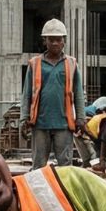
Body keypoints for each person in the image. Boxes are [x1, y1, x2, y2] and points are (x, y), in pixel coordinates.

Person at [21, 19, 85, 168]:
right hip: (40, 123)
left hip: (63, 123)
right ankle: (38, 192)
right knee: (38, 165)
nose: (55, 43)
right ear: (45, 41)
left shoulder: (71, 64)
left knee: (65, 166)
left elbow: (79, 94)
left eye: (58, 40)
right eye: (51, 40)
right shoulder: (35, 64)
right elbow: (27, 94)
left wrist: (81, 118)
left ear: (64, 41)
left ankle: (62, 192)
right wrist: (23, 118)